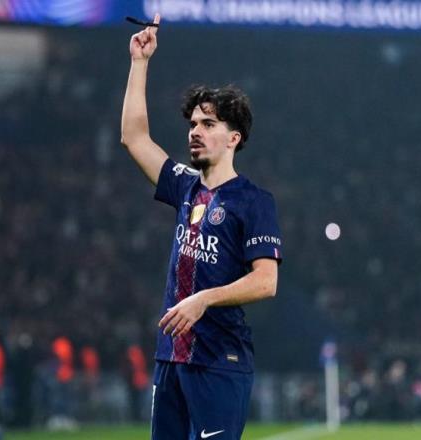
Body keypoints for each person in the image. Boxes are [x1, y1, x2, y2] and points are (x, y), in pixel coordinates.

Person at [121, 14, 283, 440]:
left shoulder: (254, 201)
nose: (195, 131)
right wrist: (140, 62)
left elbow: (266, 282)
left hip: (220, 360)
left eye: (208, 124)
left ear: (234, 138)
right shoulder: (184, 185)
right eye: (193, 124)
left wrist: (203, 300)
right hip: (171, 358)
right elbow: (134, 138)